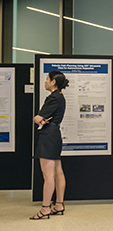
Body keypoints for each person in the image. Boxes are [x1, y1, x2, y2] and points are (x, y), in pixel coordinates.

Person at [30, 71, 69, 220]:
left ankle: (45, 208)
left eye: (47, 79)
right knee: (58, 172)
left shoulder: (53, 98)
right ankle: (58, 204)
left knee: (48, 175)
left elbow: (38, 117)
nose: (45, 82)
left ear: (53, 82)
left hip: (48, 136)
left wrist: (37, 117)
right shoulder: (60, 97)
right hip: (54, 135)